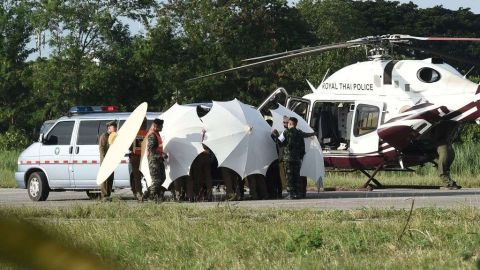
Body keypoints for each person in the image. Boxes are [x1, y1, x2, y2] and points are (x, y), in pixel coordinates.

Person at [272, 117, 315, 199]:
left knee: (289, 176)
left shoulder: (286, 132)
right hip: (297, 159)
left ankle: (291, 194)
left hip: (288, 158)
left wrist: (275, 135)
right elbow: (305, 140)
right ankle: (297, 193)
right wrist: (313, 133)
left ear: (290, 124)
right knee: (296, 176)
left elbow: (280, 143)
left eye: (287, 123)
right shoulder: (299, 132)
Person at [431, 120, 462, 189]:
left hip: (445, 148)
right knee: (444, 169)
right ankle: (449, 183)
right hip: (446, 148)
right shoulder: (447, 124)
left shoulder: (446, 125)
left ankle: (450, 183)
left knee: (443, 170)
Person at [142, 119, 168, 201]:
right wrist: (161, 155)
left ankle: (147, 194)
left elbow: (157, 148)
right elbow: (151, 150)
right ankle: (152, 197)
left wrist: (162, 154)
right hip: (154, 161)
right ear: (156, 126)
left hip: (158, 160)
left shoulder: (157, 134)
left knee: (162, 178)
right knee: (156, 180)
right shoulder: (152, 135)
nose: (162, 127)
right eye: (161, 126)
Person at [98, 121, 117, 201]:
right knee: (105, 178)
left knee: (110, 178)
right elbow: (101, 149)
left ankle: (108, 194)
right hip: (105, 160)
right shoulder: (104, 136)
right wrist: (105, 160)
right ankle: (104, 195)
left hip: (111, 161)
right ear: (109, 128)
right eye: (114, 127)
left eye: (116, 127)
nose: (115, 128)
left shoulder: (113, 136)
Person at [129, 118, 147, 200]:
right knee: (146, 176)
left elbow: (129, 147)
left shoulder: (133, 133)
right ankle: (149, 193)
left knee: (136, 177)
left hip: (135, 158)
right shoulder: (147, 133)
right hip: (145, 158)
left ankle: (139, 194)